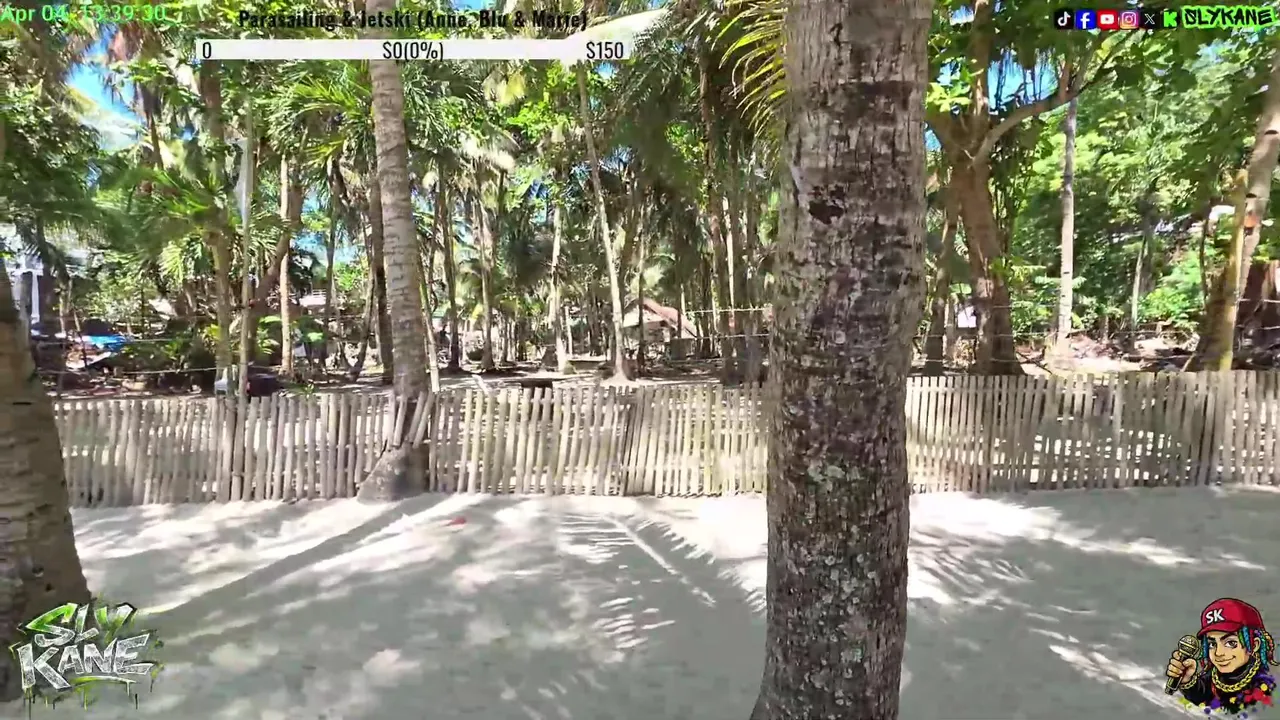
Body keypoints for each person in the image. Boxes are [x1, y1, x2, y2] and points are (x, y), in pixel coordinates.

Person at [1168, 598, 1277, 715]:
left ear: (1254, 645)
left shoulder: (1266, 685)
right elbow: (1201, 696)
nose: (1218, 653)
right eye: (1212, 644)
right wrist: (1187, 680)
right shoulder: (1213, 677)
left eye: (1230, 643)